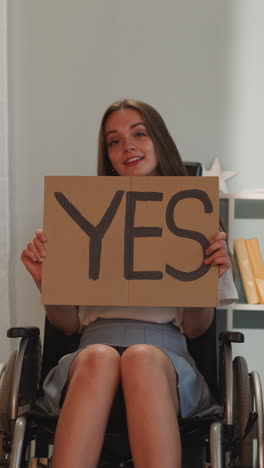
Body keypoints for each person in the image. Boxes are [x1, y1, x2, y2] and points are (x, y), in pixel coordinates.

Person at [21, 99, 238, 468]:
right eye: (114, 141)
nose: (128, 147)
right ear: (108, 155)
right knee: (99, 357)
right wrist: (48, 285)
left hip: (167, 356)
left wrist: (206, 280)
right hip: (91, 350)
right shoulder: (80, 214)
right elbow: (69, 325)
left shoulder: (197, 219)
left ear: (160, 141)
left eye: (139, 134)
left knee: (141, 357)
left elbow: (196, 327)